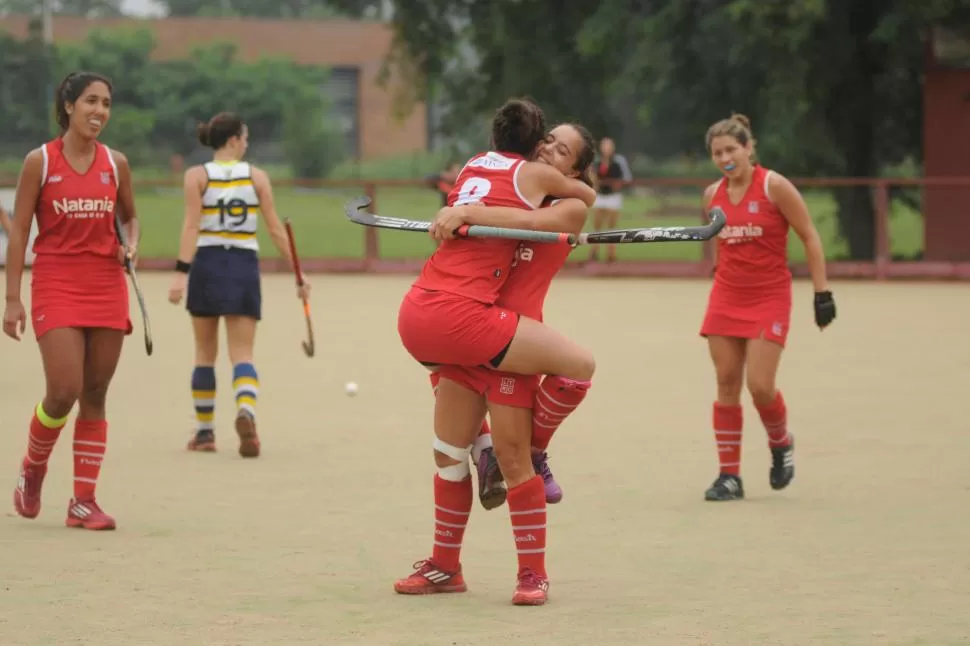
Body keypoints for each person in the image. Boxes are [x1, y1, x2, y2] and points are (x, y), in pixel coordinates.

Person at [393, 122, 596, 606]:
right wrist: (459, 213)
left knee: (514, 459)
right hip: (468, 329)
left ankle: (533, 574)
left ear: (575, 169)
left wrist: (469, 212)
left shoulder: (567, 206)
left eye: (562, 150)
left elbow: (526, 224)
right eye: (546, 140)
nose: (548, 149)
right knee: (447, 455)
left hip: (511, 343)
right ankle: (446, 566)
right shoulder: (514, 183)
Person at [4, 71, 139, 531]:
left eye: (105, 103)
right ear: (67, 106)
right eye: (90, 102)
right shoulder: (39, 161)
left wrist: (131, 245)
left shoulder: (115, 163)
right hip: (57, 282)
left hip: (105, 283)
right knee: (63, 391)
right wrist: (12, 299)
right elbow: (20, 230)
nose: (99, 111)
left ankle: (83, 501)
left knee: (95, 394)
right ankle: (33, 467)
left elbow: (131, 218)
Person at [700, 113, 836, 502]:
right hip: (726, 295)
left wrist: (821, 293)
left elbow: (809, 236)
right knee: (726, 380)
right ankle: (729, 476)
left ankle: (780, 442)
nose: (725, 157)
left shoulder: (775, 186)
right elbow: (716, 236)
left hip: (769, 296)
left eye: (731, 149)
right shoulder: (712, 195)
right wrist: (717, 268)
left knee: (759, 386)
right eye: (717, 152)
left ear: (748, 148)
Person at [167, 112, 310, 458]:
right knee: (242, 353)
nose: (246, 144)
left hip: (207, 264)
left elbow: (190, 227)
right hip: (243, 266)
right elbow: (276, 230)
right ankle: (247, 411)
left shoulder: (196, 176)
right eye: (244, 138)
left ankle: (204, 433)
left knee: (204, 353)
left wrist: (180, 275)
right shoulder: (257, 177)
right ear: (233, 139)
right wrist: (298, 273)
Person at [588, 136, 632, 263]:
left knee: (611, 227)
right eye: (604, 145)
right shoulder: (596, 162)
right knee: (597, 225)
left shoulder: (618, 162)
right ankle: (594, 251)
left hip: (613, 196)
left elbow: (625, 178)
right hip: (600, 196)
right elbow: (593, 178)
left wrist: (617, 184)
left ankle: (611, 253)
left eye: (609, 146)